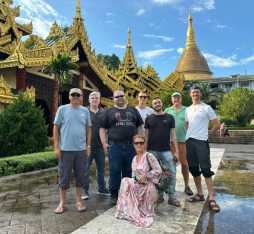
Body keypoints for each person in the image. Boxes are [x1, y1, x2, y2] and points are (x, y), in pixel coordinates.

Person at [99, 90, 143, 204]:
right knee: (115, 170)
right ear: (113, 98)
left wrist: (139, 142)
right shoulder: (108, 112)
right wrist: (104, 143)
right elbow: (102, 128)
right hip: (115, 145)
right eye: (117, 96)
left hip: (131, 146)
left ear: (125, 97)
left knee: (130, 170)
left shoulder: (133, 110)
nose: (119, 98)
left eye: (121, 96)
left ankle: (128, 193)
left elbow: (139, 126)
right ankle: (114, 194)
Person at [53, 88, 91, 214]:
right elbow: (56, 128)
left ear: (81, 97)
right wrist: (56, 147)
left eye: (78, 95)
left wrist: (88, 146)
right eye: (73, 94)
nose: (75, 96)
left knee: (80, 177)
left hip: (81, 151)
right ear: (69, 96)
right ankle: (62, 203)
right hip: (65, 150)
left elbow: (88, 129)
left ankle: (79, 201)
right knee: (63, 177)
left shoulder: (85, 111)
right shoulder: (62, 109)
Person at [185, 85, 221, 212]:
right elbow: (187, 124)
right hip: (189, 141)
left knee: (205, 169)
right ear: (190, 94)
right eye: (193, 92)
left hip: (201, 141)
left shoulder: (207, 107)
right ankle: (200, 194)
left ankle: (211, 198)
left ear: (200, 94)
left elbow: (217, 125)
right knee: (194, 168)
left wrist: (207, 135)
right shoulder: (188, 109)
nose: (195, 94)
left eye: (197, 92)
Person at [115, 135, 162, 227]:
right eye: (136, 143)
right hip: (139, 185)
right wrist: (137, 179)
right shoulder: (134, 159)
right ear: (133, 144)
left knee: (125, 180)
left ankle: (124, 210)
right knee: (126, 181)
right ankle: (126, 211)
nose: (139, 145)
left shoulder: (148, 155)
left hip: (148, 186)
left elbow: (158, 170)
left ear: (144, 144)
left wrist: (146, 175)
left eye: (141, 142)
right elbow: (133, 176)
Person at [145, 97, 180, 207]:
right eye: (155, 103)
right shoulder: (149, 118)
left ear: (162, 103)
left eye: (159, 102)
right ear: (152, 105)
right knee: (155, 174)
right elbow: (146, 136)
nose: (157, 104)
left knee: (172, 173)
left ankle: (171, 196)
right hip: (152, 150)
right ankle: (159, 196)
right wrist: (145, 152)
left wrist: (177, 151)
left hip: (166, 150)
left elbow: (173, 135)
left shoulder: (169, 117)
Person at [82, 92, 110, 200]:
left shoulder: (104, 112)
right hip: (87, 146)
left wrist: (106, 143)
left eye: (96, 98)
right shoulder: (84, 111)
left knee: (101, 169)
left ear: (99, 100)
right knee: (85, 169)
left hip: (100, 146)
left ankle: (101, 188)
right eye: (92, 98)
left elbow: (107, 128)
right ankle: (84, 190)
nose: (94, 100)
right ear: (89, 100)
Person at [164, 92, 193, 196]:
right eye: (174, 97)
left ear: (181, 99)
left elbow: (191, 123)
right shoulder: (167, 110)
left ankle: (187, 186)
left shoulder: (187, 109)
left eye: (178, 97)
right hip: (170, 142)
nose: (176, 99)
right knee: (171, 165)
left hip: (183, 141)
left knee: (184, 164)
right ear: (172, 99)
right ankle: (170, 186)